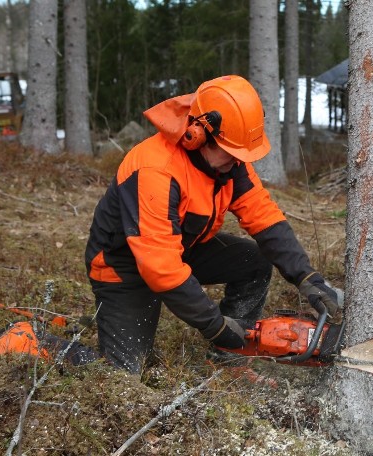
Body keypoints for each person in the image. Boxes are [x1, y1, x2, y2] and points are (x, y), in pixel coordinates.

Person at [83, 75, 341, 374]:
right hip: (123, 266)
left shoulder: (230, 165)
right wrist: (216, 327)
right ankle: (33, 342)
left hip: (179, 248)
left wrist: (307, 276)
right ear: (198, 134)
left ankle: (229, 360)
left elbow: (264, 216)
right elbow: (160, 268)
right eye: (231, 153)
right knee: (121, 375)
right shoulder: (156, 170)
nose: (237, 161)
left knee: (254, 260)